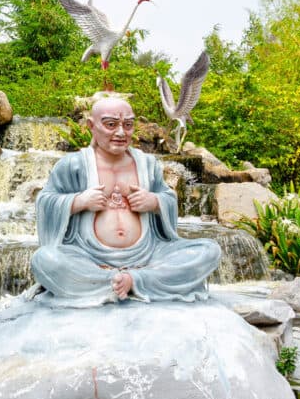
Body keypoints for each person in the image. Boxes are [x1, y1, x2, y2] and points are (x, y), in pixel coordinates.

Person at [29, 96, 221, 306]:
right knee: (44, 259)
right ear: (91, 126)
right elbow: (45, 200)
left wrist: (154, 202)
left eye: (128, 125)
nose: (121, 133)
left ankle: (133, 280)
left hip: (149, 255)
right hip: (88, 256)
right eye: (111, 125)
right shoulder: (73, 165)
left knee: (209, 251)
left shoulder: (148, 164)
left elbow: (168, 197)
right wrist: (79, 201)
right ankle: (116, 281)